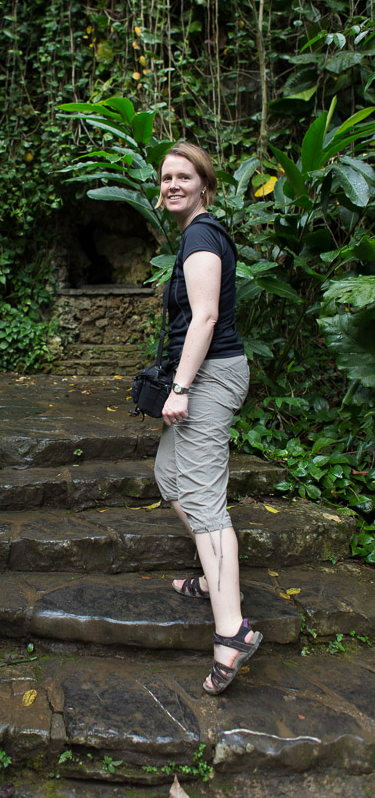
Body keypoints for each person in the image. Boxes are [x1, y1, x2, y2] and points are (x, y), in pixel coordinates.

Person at [153, 142, 262, 695]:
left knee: (202, 498)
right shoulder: (200, 233)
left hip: (209, 376)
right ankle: (212, 572)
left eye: (183, 176)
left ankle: (232, 632)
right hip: (210, 373)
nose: (172, 184)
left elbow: (206, 316)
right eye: (166, 177)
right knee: (170, 477)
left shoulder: (200, 234)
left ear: (204, 185)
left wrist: (180, 387)